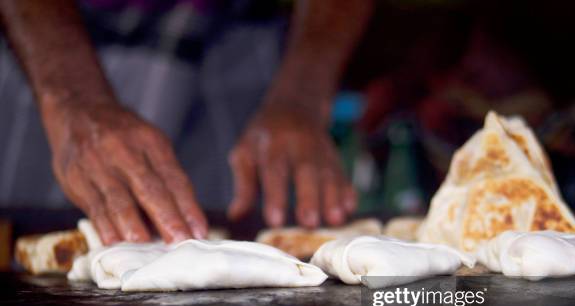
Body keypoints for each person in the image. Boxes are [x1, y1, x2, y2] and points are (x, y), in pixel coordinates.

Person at [0, 0, 373, 244]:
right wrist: (73, 99)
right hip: (53, 40)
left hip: (238, 38)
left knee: (229, 274)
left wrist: (300, 95)